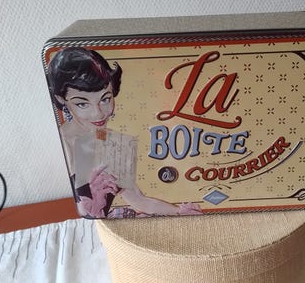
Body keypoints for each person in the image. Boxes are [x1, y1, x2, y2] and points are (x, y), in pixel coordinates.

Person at [47, 46, 201, 218]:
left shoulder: (114, 142)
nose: (98, 113)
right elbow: (81, 212)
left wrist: (179, 211)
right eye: (82, 104)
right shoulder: (62, 143)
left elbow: (140, 201)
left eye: (105, 99)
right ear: (61, 99)